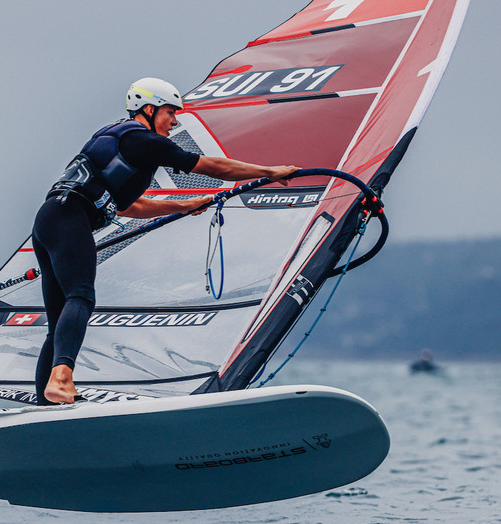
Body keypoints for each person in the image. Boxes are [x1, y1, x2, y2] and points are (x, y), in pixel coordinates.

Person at [33, 77, 300, 405]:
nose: (175, 121)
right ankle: (61, 380)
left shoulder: (119, 142)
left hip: (49, 220)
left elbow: (132, 206)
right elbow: (212, 166)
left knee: (59, 319)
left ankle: (47, 402)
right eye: (170, 112)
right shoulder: (142, 140)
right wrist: (268, 172)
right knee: (81, 296)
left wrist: (185, 206)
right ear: (148, 109)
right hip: (69, 218)